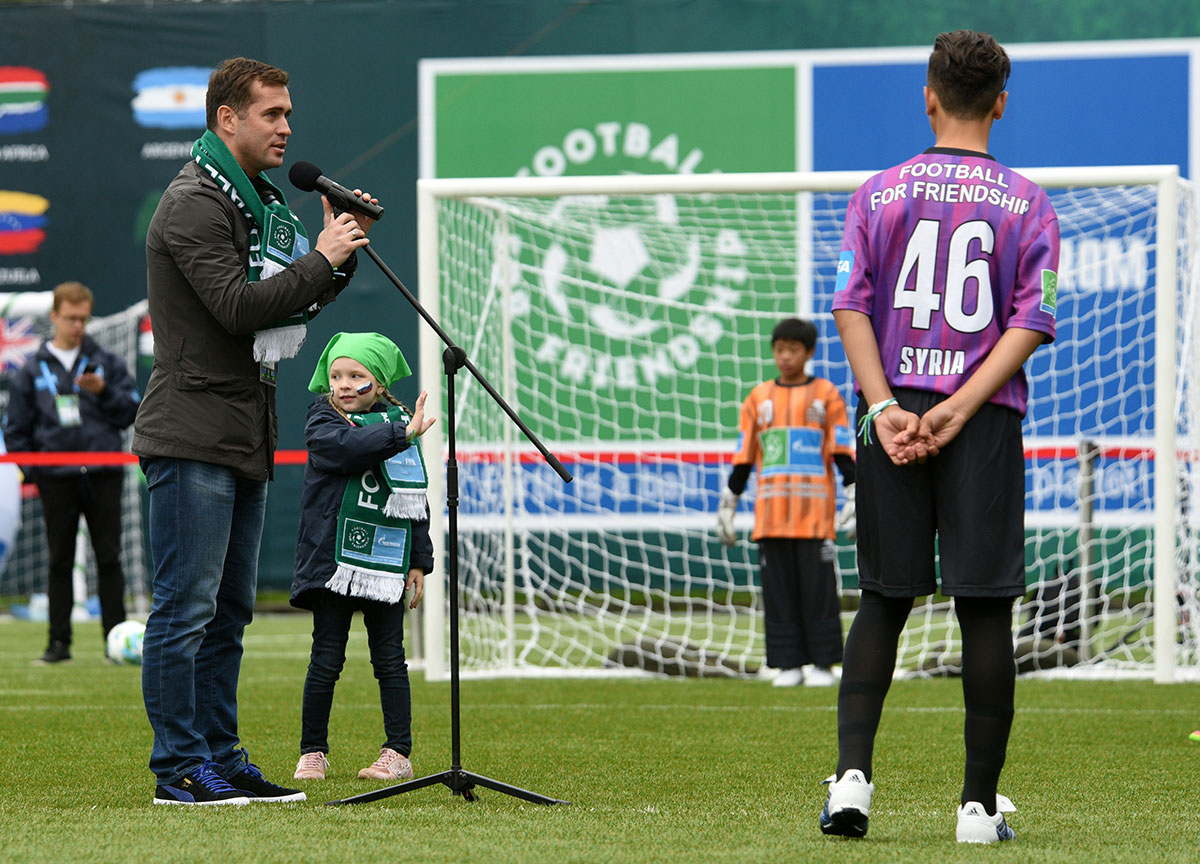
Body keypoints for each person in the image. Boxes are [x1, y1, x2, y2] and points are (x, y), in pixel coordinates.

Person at [820, 30, 1059, 844]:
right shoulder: (1029, 202)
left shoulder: (876, 192)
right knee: (984, 607)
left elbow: (849, 304)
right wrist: (960, 404)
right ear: (1000, 102)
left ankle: (852, 782)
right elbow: (1034, 318)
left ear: (928, 96)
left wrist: (885, 405)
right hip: (982, 416)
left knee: (885, 597)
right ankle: (976, 809)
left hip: (889, 417)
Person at [132, 57, 376, 806]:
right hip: (191, 429)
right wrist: (320, 258)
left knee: (229, 612)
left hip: (242, 428)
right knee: (186, 610)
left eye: (288, 112)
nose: (287, 127)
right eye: (272, 113)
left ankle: (222, 755)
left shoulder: (257, 205)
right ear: (226, 118)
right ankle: (179, 766)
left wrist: (339, 258)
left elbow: (284, 305)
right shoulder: (194, 204)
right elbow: (240, 309)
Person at [290, 332, 435, 783]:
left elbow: (415, 498)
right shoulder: (322, 418)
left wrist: (419, 559)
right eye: (336, 375)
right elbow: (344, 451)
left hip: (386, 562)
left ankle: (397, 751)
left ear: (380, 381)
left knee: (389, 659)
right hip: (332, 561)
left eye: (357, 375)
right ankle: (313, 751)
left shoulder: (400, 422)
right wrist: (400, 434)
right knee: (326, 659)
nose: (344, 385)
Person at [4, 281, 140, 664]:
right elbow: (15, 429)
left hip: (103, 471)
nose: (77, 326)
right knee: (59, 560)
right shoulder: (30, 370)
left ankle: (115, 644)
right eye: (70, 319)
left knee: (109, 558)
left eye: (83, 319)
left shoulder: (106, 362)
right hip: (57, 476)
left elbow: (131, 410)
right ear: (54, 317)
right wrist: (34, 473)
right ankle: (57, 644)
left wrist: (102, 392)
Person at [716, 318, 854, 688]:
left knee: (819, 591)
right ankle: (788, 663)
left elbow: (841, 450)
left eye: (793, 349)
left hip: (815, 517)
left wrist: (853, 492)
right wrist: (728, 505)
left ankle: (824, 664)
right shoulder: (758, 399)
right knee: (778, 593)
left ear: (808, 352)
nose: (785, 356)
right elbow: (744, 457)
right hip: (772, 518)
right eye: (780, 349)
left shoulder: (826, 394)